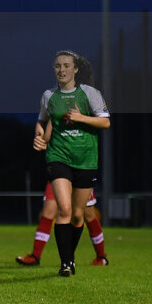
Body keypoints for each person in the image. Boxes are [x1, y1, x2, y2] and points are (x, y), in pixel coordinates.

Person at [32, 50, 110, 277]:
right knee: (64, 209)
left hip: (86, 159)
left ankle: (71, 256)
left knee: (78, 215)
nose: (61, 70)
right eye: (57, 66)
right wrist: (39, 137)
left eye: (66, 66)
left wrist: (80, 118)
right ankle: (66, 263)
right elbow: (43, 121)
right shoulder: (48, 96)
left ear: (75, 69)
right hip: (59, 157)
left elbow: (105, 123)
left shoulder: (90, 94)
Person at [15, 182, 108, 266]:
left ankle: (101, 256)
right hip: (59, 169)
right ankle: (35, 256)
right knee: (48, 211)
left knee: (88, 214)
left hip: (79, 171)